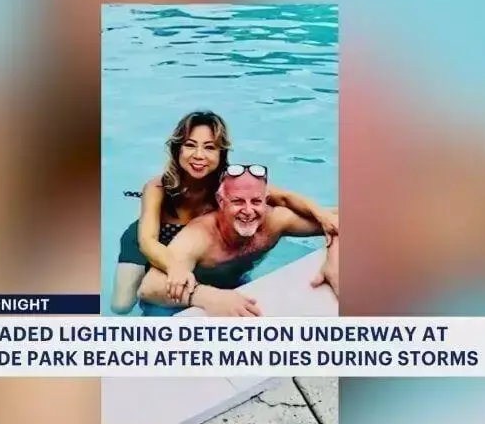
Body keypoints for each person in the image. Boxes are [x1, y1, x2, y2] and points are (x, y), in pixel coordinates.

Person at [111, 111, 338, 314]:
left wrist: (322, 215)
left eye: (209, 147)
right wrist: (174, 267)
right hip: (153, 235)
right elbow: (148, 241)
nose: (199, 155)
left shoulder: (228, 185)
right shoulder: (158, 186)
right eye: (190, 145)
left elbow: (284, 198)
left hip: (189, 242)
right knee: (121, 306)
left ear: (221, 154)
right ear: (177, 149)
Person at [137, 164, 339, 316]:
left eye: (256, 201)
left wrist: (334, 259)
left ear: (266, 200)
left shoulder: (274, 222)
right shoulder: (200, 236)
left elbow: (341, 219)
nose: (248, 211)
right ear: (220, 202)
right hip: (174, 302)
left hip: (236, 284)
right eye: (237, 201)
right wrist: (209, 297)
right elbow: (148, 288)